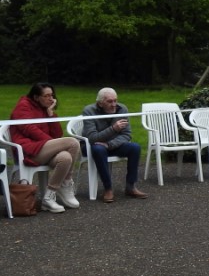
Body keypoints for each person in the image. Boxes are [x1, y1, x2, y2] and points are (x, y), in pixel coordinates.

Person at [9, 82, 82, 213]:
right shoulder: (23, 106)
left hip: (43, 148)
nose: (51, 99)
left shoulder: (44, 108)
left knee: (65, 157)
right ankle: (66, 182)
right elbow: (29, 129)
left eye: (52, 95)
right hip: (28, 150)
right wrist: (53, 143)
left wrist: (50, 114)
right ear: (36, 97)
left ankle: (48, 197)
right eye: (46, 96)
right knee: (73, 142)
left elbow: (57, 135)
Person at [81, 87, 148, 204]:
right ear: (100, 103)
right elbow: (92, 138)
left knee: (135, 148)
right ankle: (108, 188)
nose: (114, 104)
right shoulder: (89, 111)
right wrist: (113, 129)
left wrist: (109, 144)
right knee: (98, 149)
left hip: (112, 145)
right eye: (109, 101)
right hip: (92, 146)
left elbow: (126, 135)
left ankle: (130, 186)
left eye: (115, 100)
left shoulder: (122, 109)